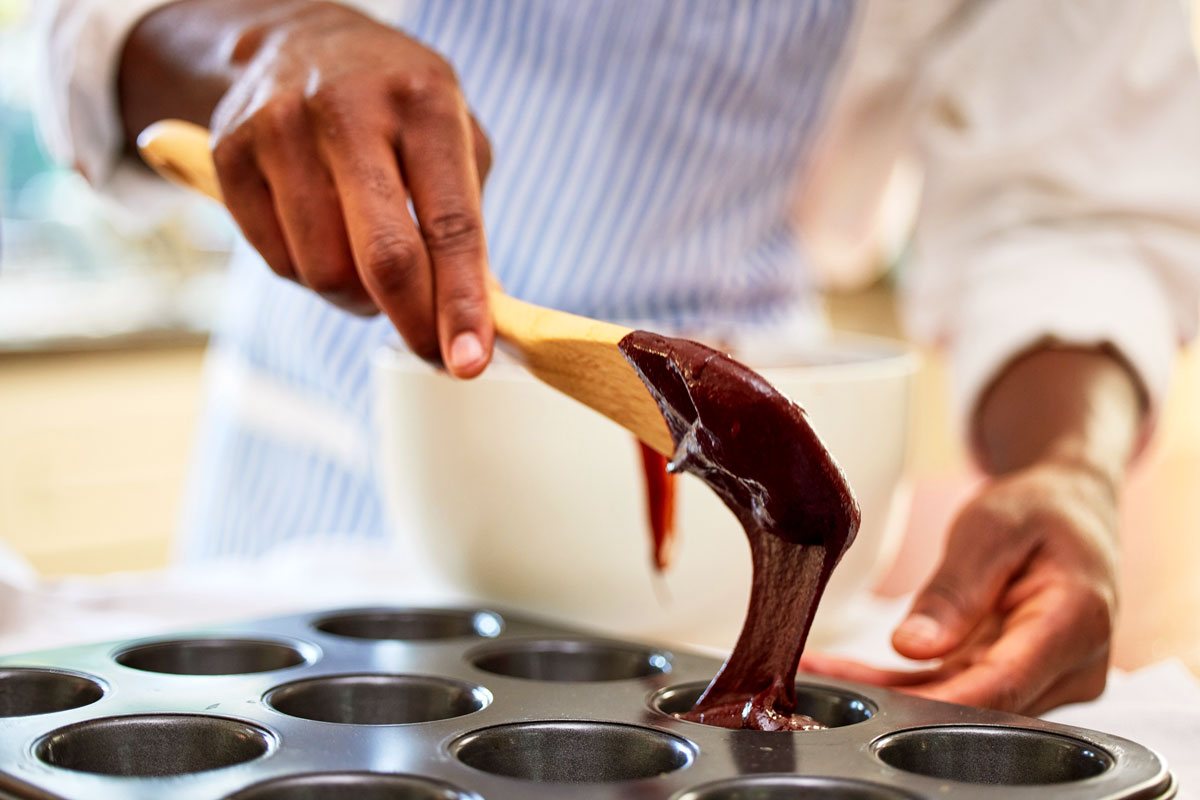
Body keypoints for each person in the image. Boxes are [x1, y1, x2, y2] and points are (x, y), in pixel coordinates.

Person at [37, 0, 1200, 715]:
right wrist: (262, 35)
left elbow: (1070, 215)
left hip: (715, 506)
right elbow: (93, 27)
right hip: (335, 458)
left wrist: (1068, 464)